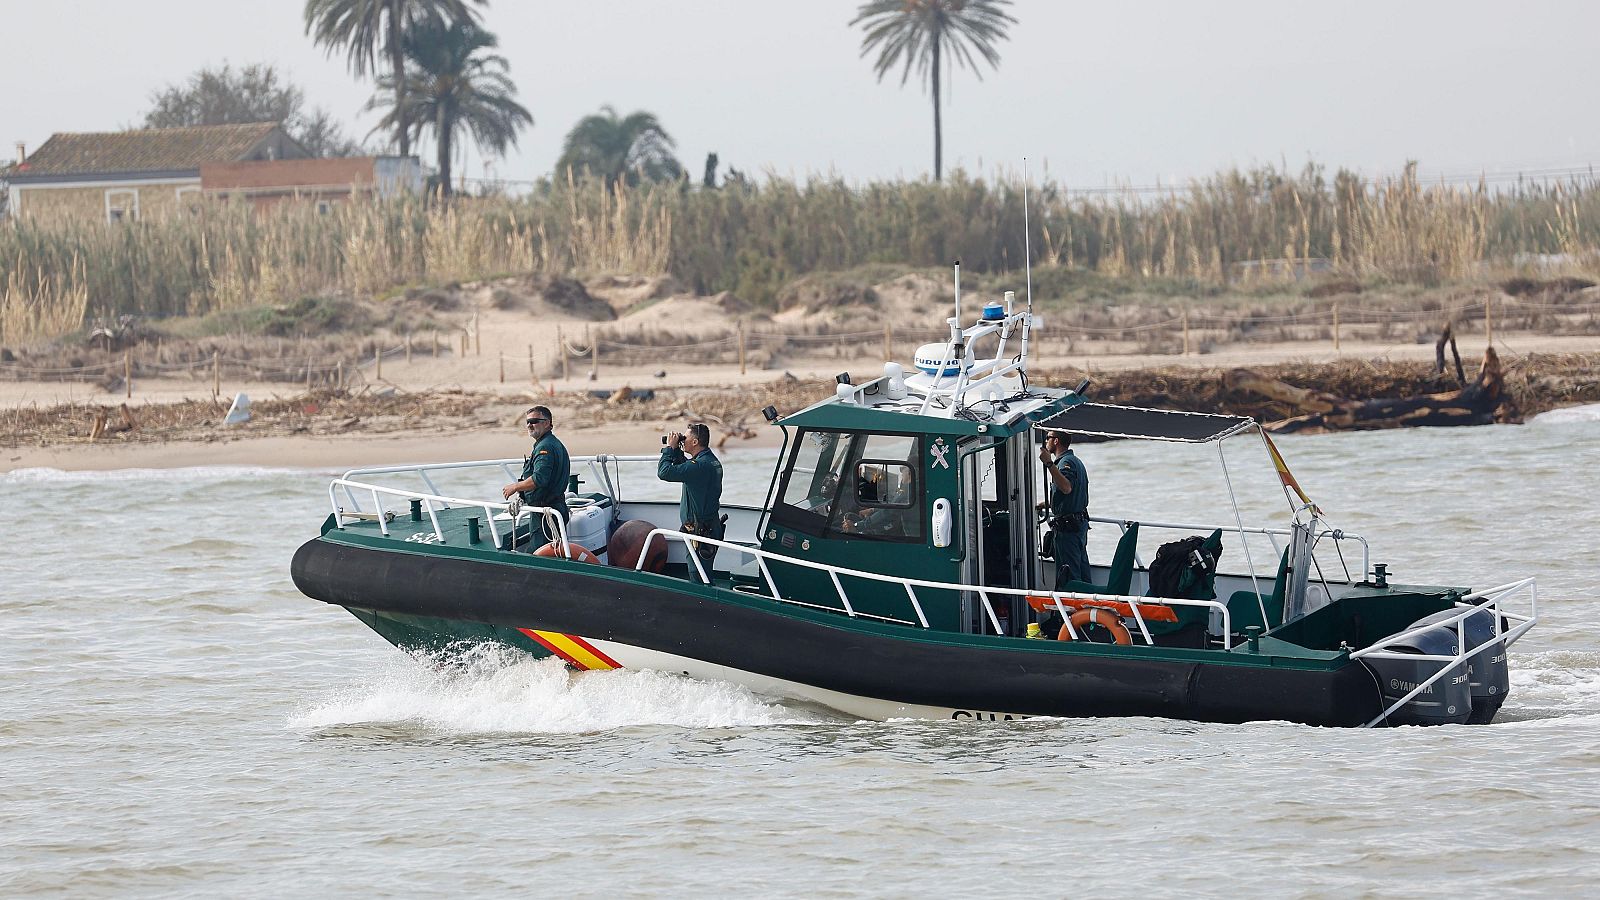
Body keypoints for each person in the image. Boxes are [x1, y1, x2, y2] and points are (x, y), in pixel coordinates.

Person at [658, 422, 724, 578]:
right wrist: (676, 451)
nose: (682, 440)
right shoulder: (709, 461)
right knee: (704, 573)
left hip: (700, 532)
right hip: (709, 528)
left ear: (695, 442)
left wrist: (669, 450)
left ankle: (705, 602)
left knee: (698, 576)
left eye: (685, 438)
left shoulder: (699, 466)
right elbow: (687, 470)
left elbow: (664, 472)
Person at [502, 405, 571, 549]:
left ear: (547, 423)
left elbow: (539, 478)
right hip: (551, 509)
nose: (529, 425)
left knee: (541, 554)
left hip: (546, 514)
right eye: (527, 422)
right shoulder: (549, 443)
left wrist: (515, 487)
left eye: (534, 421)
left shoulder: (545, 447)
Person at [1040, 429, 1091, 585]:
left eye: (1048, 438)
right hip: (1078, 526)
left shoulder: (1065, 463)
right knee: (1081, 570)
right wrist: (1045, 504)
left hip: (1068, 530)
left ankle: (1071, 609)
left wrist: (1049, 463)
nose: (1045, 442)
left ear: (1056, 441)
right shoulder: (1075, 461)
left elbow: (1066, 488)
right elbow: (1073, 495)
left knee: (1069, 575)